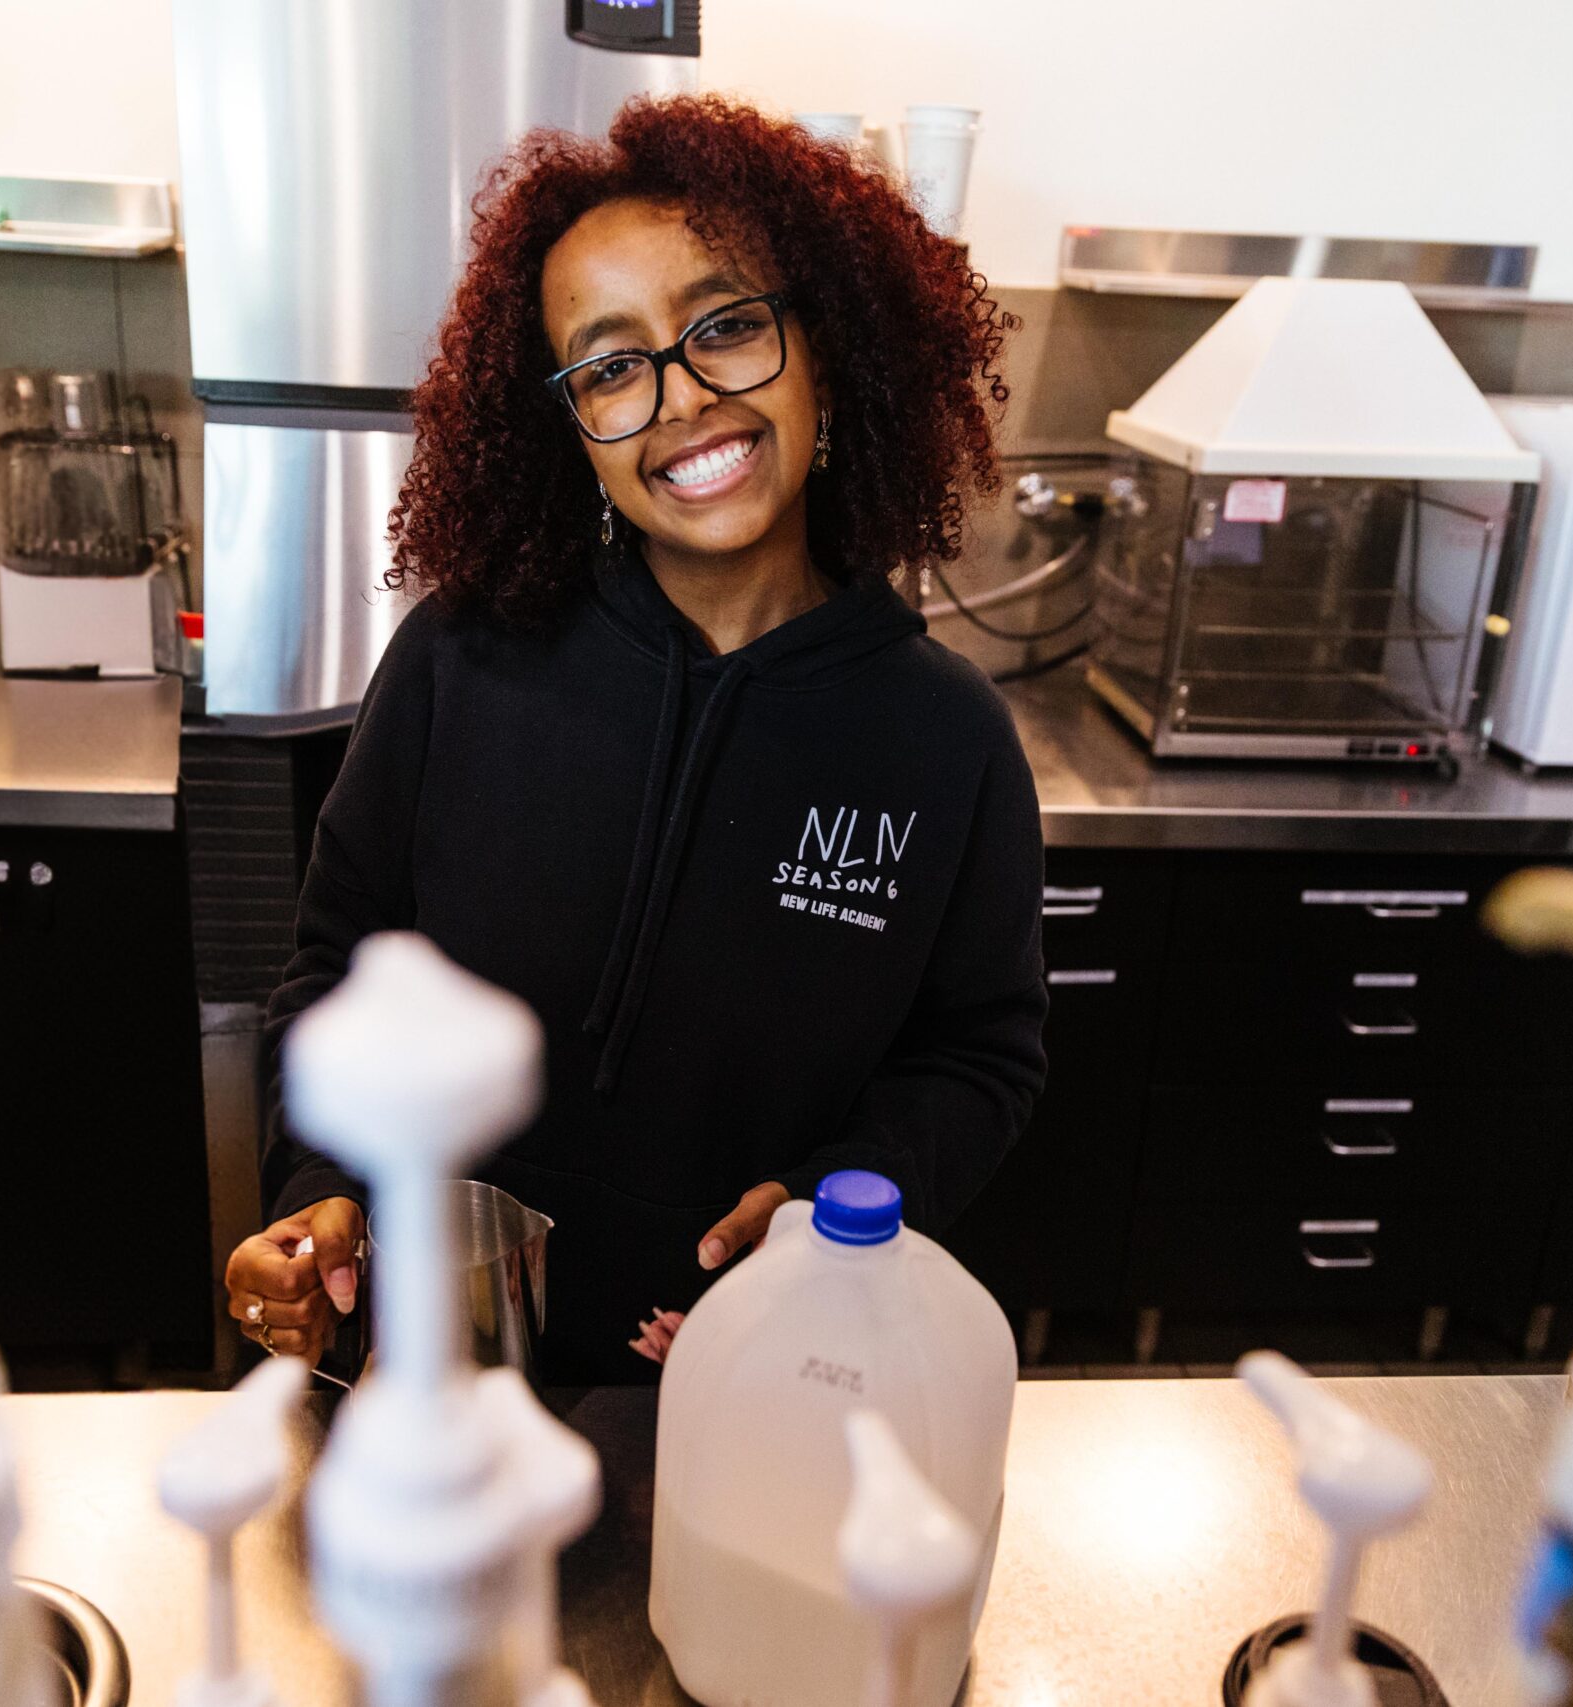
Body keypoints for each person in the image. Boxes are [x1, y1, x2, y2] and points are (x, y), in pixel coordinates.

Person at [222, 94, 1046, 1384]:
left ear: (827, 348)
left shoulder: (948, 737)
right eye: (610, 366)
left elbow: (976, 1057)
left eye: (726, 327)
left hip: (762, 1371)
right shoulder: (460, 659)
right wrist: (316, 1188)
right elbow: (336, 970)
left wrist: (835, 1207)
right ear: (563, 425)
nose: (682, 398)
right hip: (439, 1364)